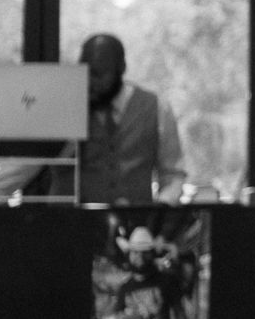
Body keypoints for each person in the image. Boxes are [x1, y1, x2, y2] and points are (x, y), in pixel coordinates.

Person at [75, 33, 183, 207]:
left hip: (139, 226)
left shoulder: (156, 107)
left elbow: (172, 173)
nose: (90, 81)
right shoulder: (71, 108)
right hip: (80, 224)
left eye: (99, 74)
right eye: (85, 72)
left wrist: (163, 205)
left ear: (121, 68)